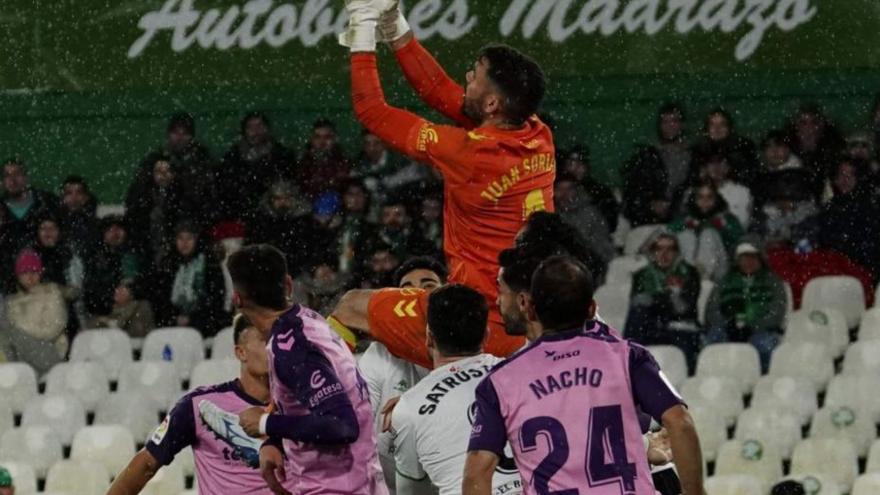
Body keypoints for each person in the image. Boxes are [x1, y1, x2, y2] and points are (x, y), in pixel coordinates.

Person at [343, 4, 554, 358]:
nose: (467, 77)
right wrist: (394, 25)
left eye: (474, 76)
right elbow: (438, 89)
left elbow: (372, 111)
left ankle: (319, 405)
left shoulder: (468, 153)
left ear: (491, 104)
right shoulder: (537, 132)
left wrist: (362, 30)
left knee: (349, 307)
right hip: (530, 319)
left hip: (475, 319)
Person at [463, 256, 703, 495]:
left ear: (529, 308)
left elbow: (477, 471)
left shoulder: (499, 381)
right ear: (592, 309)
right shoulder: (628, 356)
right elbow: (680, 422)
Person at [217, 244, 386, 494]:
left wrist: (267, 424)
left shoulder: (292, 349)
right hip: (363, 481)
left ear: (237, 299)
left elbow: (342, 425)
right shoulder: (308, 321)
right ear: (288, 285)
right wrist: (274, 442)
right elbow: (309, 403)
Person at [329, 212, 585, 369]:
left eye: (518, 245)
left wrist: (417, 402)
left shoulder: (503, 370)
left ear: (524, 301)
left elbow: (351, 307)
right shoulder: (610, 353)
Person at [107, 314, 297, 494]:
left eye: (278, 341)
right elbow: (147, 464)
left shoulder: (304, 406)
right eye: (266, 340)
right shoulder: (199, 405)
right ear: (241, 352)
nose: (275, 348)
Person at [391, 284, 521, 495]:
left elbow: (410, 492)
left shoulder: (409, 407)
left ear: (429, 337)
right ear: (486, 334)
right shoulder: (523, 374)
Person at [357, 257, 445, 491]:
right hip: (391, 484)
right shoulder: (378, 354)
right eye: (406, 290)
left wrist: (412, 405)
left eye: (428, 286)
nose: (417, 293)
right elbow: (360, 427)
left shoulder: (471, 345)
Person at [705, 240, 787, 371]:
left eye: (753, 257)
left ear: (760, 259)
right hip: (728, 328)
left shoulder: (773, 281)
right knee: (712, 341)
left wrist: (752, 326)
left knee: (763, 345)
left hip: (762, 330)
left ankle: (760, 379)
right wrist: (728, 325)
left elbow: (777, 313)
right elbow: (711, 311)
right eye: (744, 258)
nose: (748, 262)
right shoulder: (725, 281)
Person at [625, 233, 702, 367]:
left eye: (670, 249)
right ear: (653, 252)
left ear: (676, 252)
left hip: (680, 327)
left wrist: (658, 300)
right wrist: (668, 297)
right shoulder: (642, 275)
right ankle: (628, 365)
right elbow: (638, 302)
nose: (664, 253)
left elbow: (686, 308)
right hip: (652, 326)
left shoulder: (689, 272)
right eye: (659, 248)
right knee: (637, 316)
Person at [217, 111, 298, 221]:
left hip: (275, 213)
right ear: (244, 131)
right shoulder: (232, 157)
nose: (255, 131)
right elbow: (228, 188)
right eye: (251, 127)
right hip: (241, 213)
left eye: (259, 126)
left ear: (267, 129)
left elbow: (288, 185)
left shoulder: (283, 155)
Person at [5, 249, 69, 375]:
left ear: (40, 273)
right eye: (25, 272)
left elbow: (51, 330)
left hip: (49, 352)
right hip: (21, 356)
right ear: (18, 276)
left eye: (34, 271)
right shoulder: (12, 302)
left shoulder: (51, 294)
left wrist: (20, 329)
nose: (30, 276)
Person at [817, 158, 880, 280]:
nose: (845, 179)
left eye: (851, 175)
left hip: (862, 272)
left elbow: (870, 246)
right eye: (841, 174)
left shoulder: (869, 207)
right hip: (832, 270)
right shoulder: (829, 208)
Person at [163, 222, 229, 336]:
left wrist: (192, 319)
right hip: (174, 323)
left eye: (189, 238)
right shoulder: (169, 265)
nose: (185, 243)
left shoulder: (210, 264)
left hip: (205, 323)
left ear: (196, 240)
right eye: (180, 238)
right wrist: (175, 317)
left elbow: (216, 300)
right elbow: (163, 298)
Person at [669, 181, 743, 281]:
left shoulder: (727, 218)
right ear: (694, 199)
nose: (705, 201)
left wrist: (721, 227)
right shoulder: (686, 217)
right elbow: (668, 233)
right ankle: (688, 277)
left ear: (716, 199)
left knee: (708, 234)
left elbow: (740, 241)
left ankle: (703, 279)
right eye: (700, 197)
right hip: (690, 267)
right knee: (686, 234)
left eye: (709, 197)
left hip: (718, 270)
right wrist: (686, 225)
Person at [1, 158, 59, 254]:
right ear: (2, 182)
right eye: (7, 175)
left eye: (17, 174)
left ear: (26, 177)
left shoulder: (47, 202)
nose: (13, 179)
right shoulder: (1, 209)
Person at [691, 107, 761, 186]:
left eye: (722, 124)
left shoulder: (743, 148)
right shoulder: (698, 151)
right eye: (712, 124)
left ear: (729, 128)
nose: (717, 129)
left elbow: (751, 177)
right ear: (707, 129)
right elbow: (693, 178)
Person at [295, 119, 352, 201]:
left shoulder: (343, 161)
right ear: (311, 139)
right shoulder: (304, 161)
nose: (322, 142)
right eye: (317, 137)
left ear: (334, 139)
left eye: (327, 137)